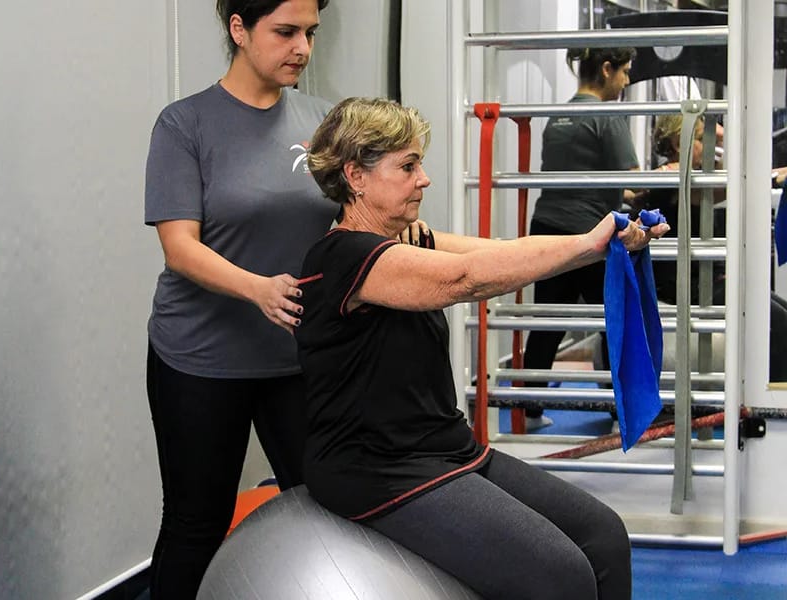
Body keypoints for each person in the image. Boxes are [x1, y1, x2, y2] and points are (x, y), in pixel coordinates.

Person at [296, 97, 669, 600]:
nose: (424, 178)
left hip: (445, 450)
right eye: (407, 166)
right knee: (561, 575)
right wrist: (587, 245)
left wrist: (602, 243)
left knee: (603, 536)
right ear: (355, 177)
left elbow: (499, 253)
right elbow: (465, 279)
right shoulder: (342, 256)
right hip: (376, 470)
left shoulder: (411, 238)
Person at [142, 1, 336, 597]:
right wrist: (257, 288)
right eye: (285, 32)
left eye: (310, 33)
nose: (302, 47)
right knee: (195, 527)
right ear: (238, 29)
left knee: (325, 513)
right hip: (198, 360)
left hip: (295, 360)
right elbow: (180, 247)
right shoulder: (184, 125)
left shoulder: (325, 122)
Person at [523, 47, 641, 428]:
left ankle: (529, 408)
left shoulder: (557, 115)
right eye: (624, 73)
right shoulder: (609, 115)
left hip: (546, 226)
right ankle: (617, 409)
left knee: (547, 322)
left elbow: (582, 180)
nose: (625, 82)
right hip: (589, 232)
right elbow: (635, 181)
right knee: (614, 319)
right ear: (607, 70)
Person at [648, 113, 787, 381]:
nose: (713, 146)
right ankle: (774, 409)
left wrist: (711, 133)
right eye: (703, 139)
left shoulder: (698, 175)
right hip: (687, 286)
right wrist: (772, 176)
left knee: (781, 311)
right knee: (777, 323)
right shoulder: (675, 176)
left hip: (708, 280)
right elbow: (735, 185)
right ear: (679, 143)